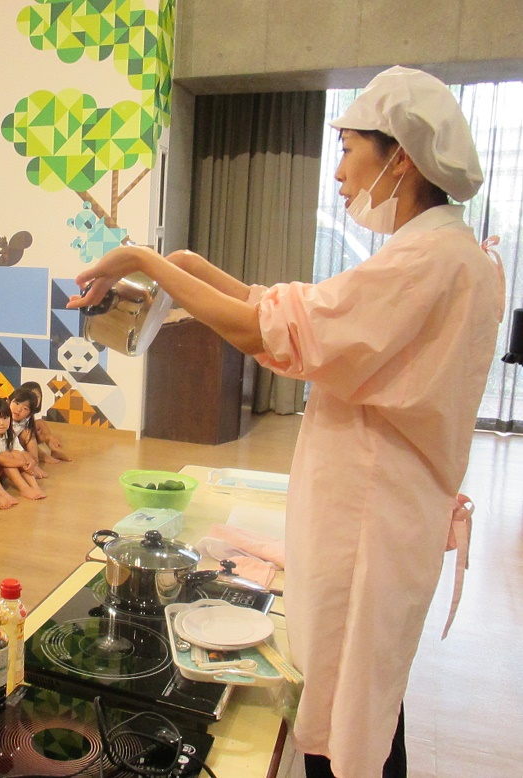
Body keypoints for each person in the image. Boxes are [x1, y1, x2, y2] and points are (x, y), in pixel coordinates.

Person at [68, 66, 504, 778]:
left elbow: (274, 331)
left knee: (345, 710)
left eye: (347, 150)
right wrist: (185, 266)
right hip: (385, 508)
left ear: (398, 156)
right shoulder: (445, 253)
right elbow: (291, 306)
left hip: (370, 518)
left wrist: (144, 259)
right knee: (365, 700)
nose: (338, 172)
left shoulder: (425, 261)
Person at [0, 398, 45, 500]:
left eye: (5, 418)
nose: (2, 423)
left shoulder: (9, 433)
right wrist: (22, 463)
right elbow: (0, 459)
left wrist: (30, 461)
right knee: (6, 455)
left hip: (2, 472)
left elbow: (21, 451)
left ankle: (35, 487)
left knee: (16, 453)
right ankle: (24, 488)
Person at [18, 381, 71, 462]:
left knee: (41, 422)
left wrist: (46, 437)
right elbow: (25, 435)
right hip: (19, 441)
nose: (36, 400)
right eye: (32, 397)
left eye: (38, 397)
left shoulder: (31, 414)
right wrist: (47, 437)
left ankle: (54, 451)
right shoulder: (21, 413)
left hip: (27, 437)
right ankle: (42, 456)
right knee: (30, 435)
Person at [8, 387, 48, 478]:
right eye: (17, 403)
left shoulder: (26, 421)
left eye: (25, 408)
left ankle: (35, 464)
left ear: (29, 414)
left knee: (29, 434)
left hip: (15, 445)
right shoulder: (2, 417)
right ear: (8, 401)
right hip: (2, 449)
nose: (19, 409)